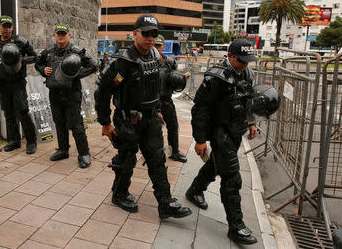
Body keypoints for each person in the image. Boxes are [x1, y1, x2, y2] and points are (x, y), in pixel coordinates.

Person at [95, 14, 192, 219]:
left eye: (154, 34)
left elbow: (152, 87)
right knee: (126, 159)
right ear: (135, 34)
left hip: (151, 118)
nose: (150, 38)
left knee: (157, 159)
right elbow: (102, 92)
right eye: (146, 33)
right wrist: (105, 123)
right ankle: (119, 194)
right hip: (127, 120)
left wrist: (156, 108)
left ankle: (165, 203)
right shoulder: (122, 62)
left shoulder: (155, 57)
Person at [185, 39, 258, 245]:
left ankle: (194, 190)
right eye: (241, 61)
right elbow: (199, 110)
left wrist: (251, 122)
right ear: (230, 57)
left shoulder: (246, 73)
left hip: (236, 130)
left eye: (247, 61)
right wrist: (199, 140)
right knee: (232, 178)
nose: (245, 65)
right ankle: (236, 227)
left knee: (216, 165)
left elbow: (247, 100)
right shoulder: (216, 78)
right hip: (219, 132)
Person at [35, 24, 98, 168]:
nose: (61, 36)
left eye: (64, 34)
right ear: (54, 35)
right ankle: (63, 150)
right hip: (55, 93)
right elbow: (38, 63)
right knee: (59, 123)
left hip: (72, 94)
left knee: (76, 125)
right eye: (59, 34)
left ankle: (84, 153)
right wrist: (43, 69)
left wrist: (75, 75)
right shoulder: (48, 52)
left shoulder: (77, 52)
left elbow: (94, 66)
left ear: (69, 35)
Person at [0, 15, 38, 155]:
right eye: (4, 26)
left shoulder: (21, 42)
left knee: (22, 112)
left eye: (9, 26)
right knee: (9, 114)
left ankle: (31, 141)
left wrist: (19, 60)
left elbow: (34, 57)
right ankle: (14, 141)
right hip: (2, 84)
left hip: (17, 82)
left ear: (12, 27)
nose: (6, 29)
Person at [154, 34, 188, 163]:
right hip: (151, 102)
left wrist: (181, 79)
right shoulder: (146, 62)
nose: (156, 48)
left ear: (163, 46)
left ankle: (174, 151)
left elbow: (173, 80)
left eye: (158, 46)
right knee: (154, 129)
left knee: (173, 126)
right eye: (154, 45)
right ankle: (154, 153)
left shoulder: (169, 62)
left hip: (167, 100)